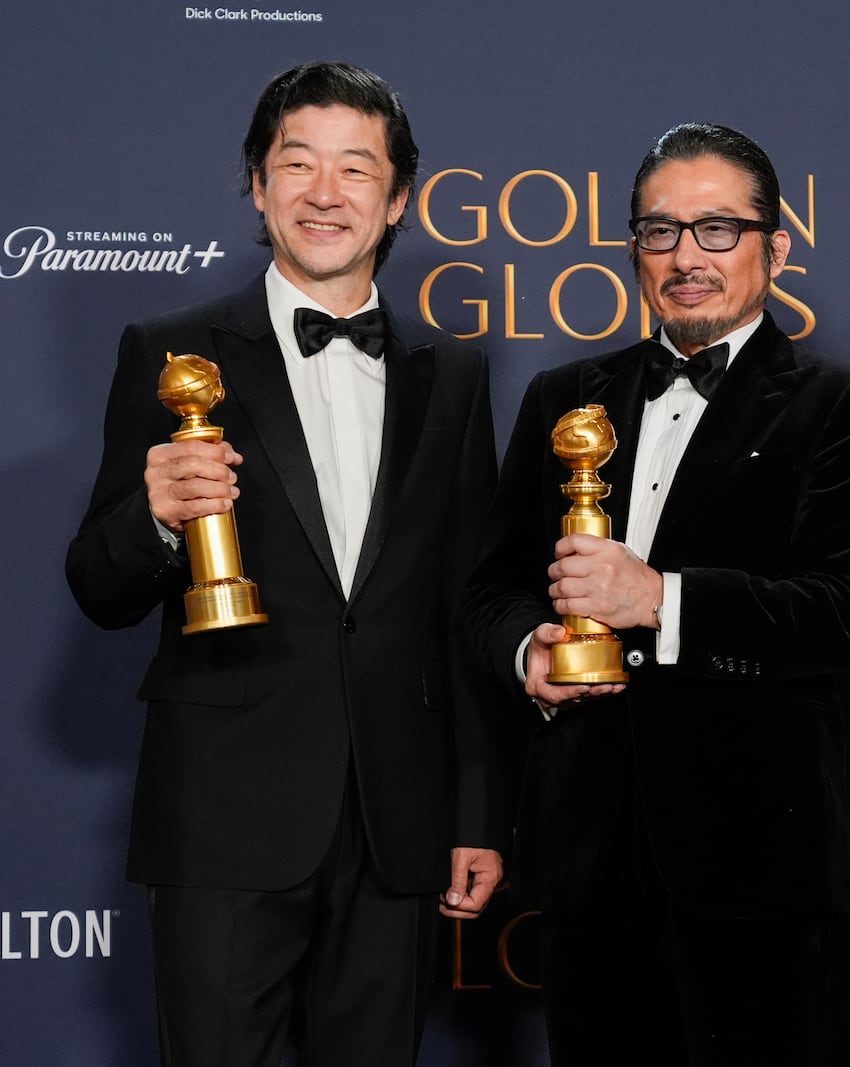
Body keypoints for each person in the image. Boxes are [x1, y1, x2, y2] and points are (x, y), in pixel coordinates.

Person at [64, 62, 508, 1066]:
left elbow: (464, 609)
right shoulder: (169, 350)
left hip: (396, 825)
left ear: (396, 198)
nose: (324, 191)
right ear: (257, 187)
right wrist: (158, 519)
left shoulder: (457, 377)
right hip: (224, 815)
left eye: (356, 169)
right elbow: (96, 583)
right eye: (295, 163)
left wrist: (476, 813)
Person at [462, 122, 850, 1067]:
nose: (685, 257)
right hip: (586, 859)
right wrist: (528, 654)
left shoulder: (841, 403)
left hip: (755, 860)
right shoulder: (561, 397)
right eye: (660, 232)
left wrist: (660, 598)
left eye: (716, 230)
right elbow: (491, 589)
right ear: (633, 250)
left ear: (774, 248)